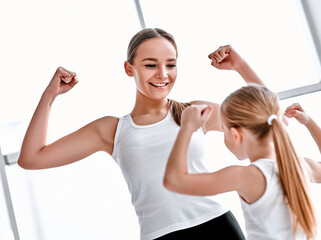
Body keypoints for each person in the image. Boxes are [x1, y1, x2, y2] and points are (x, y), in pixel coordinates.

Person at [18, 28, 264, 239]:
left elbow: (268, 121)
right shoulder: (112, 129)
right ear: (129, 68)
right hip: (159, 235)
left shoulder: (195, 112)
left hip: (217, 227)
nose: (162, 74)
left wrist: (240, 67)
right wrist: (49, 96)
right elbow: (31, 158)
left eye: (171, 64)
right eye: (150, 65)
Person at [163, 85, 321, 239]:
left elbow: (173, 181)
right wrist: (308, 122)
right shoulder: (300, 166)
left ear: (236, 135)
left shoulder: (245, 176)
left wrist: (187, 128)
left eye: (224, 131)